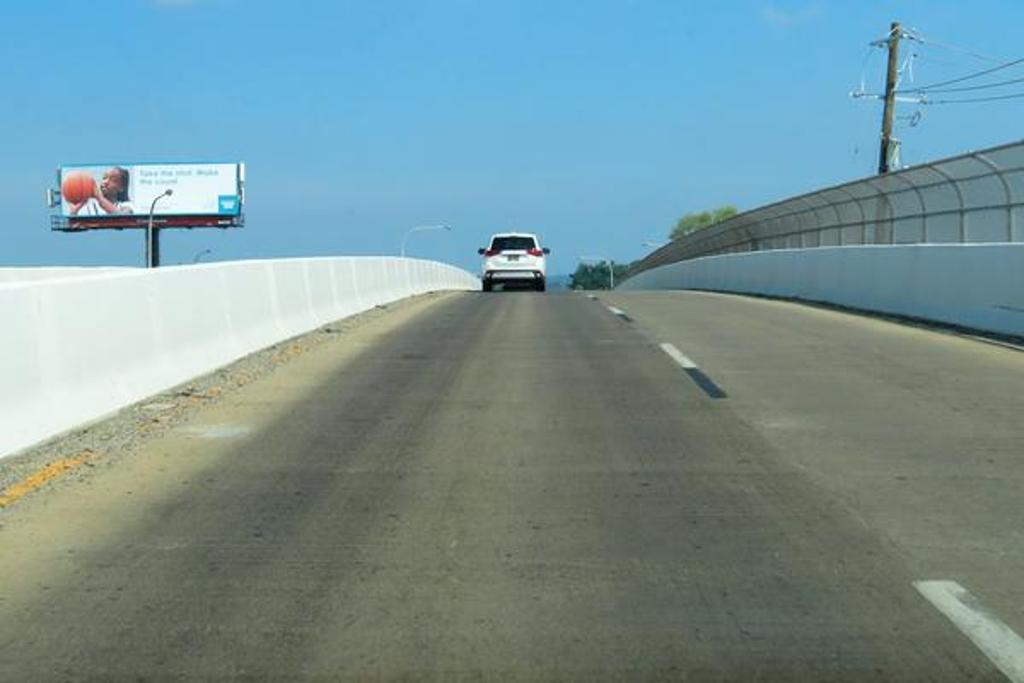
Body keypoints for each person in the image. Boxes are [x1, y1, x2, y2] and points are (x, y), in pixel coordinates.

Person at [70, 167, 135, 216]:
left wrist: (98, 196)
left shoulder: (126, 205)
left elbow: (122, 217)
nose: (105, 182)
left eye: (113, 180)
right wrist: (74, 212)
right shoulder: (89, 208)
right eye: (104, 178)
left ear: (121, 188)